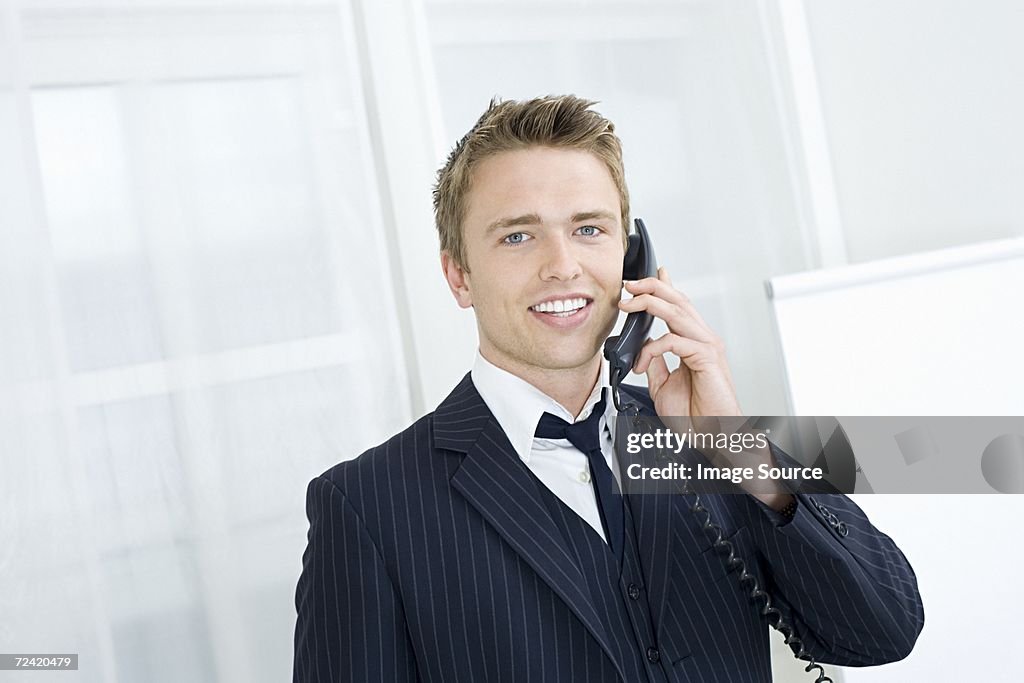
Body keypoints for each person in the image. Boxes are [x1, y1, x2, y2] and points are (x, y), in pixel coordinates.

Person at [293, 95, 924, 683]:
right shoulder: (366, 507)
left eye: (589, 229)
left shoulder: (706, 439)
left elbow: (885, 630)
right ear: (459, 275)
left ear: (631, 257)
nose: (562, 265)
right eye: (518, 235)